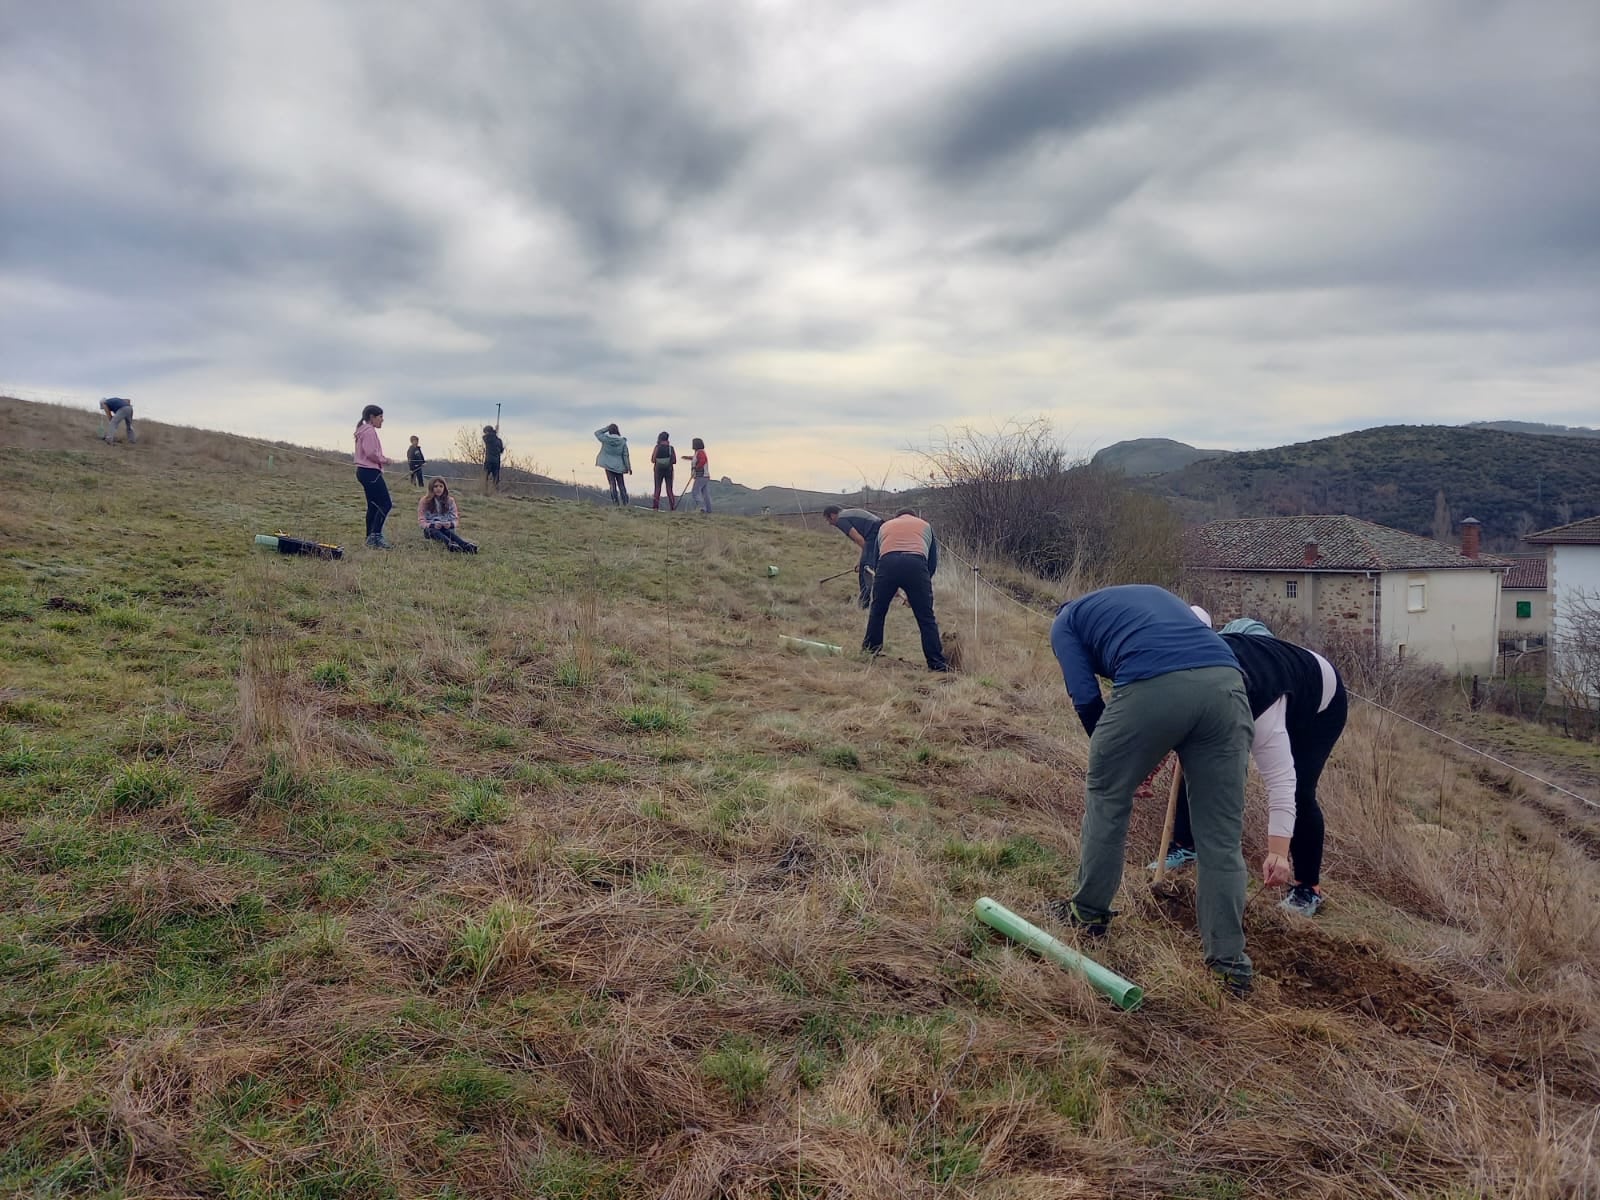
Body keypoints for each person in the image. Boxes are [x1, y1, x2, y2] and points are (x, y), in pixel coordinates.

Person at [1049, 584, 1255, 994]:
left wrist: (1119, 764)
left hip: (1155, 683)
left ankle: (1088, 913)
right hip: (1228, 687)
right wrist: (1142, 756)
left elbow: (1087, 698)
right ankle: (1230, 964)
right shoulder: (1149, 598)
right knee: (1220, 836)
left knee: (1108, 796)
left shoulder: (1065, 622)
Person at [1155, 620, 1347, 918]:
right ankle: (1185, 844)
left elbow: (1282, 783)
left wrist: (1277, 853)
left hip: (1320, 700)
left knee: (1300, 789)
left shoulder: (1261, 710)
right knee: (1195, 758)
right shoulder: (1191, 669)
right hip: (1270, 668)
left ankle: (1308, 887)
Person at [863, 509, 948, 672]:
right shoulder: (925, 526)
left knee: (877, 612)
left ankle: (870, 651)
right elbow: (931, 564)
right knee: (926, 618)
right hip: (916, 564)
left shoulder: (885, 526)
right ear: (915, 517)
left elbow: (876, 560)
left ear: (897, 517)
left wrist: (886, 585)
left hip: (887, 565)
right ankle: (937, 664)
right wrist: (918, 591)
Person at [823, 505, 883, 609]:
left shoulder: (841, 520)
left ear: (832, 515)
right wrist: (861, 560)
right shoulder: (847, 514)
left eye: (828, 519)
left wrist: (864, 560)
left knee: (866, 570)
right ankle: (872, 599)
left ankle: (865, 603)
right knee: (868, 566)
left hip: (874, 532)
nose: (829, 523)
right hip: (879, 530)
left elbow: (860, 540)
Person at [353, 404, 396, 549]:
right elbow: (371, 453)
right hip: (370, 472)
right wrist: (385, 460)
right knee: (385, 503)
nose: (382, 420)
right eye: (380, 417)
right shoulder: (369, 431)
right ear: (372, 417)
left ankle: (369, 537)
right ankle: (375, 536)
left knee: (373, 506)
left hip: (364, 472)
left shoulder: (363, 431)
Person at [417, 477, 478, 553]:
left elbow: (455, 518)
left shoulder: (450, 501)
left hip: (446, 527)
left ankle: (465, 545)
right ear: (431, 488)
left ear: (444, 488)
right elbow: (421, 520)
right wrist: (431, 525)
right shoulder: (425, 501)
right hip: (431, 529)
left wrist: (450, 524)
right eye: (435, 486)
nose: (438, 488)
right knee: (435, 531)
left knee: (448, 532)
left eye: (441, 486)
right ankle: (450, 545)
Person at [595, 424, 631, 506]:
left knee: (612, 484)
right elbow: (625, 455)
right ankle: (625, 502)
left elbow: (597, 433)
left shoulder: (606, 439)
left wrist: (607, 428)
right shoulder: (622, 441)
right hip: (619, 466)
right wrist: (628, 467)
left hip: (608, 464)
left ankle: (615, 503)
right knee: (621, 485)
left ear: (609, 431)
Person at [683, 437, 711, 513]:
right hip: (705, 476)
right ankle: (708, 510)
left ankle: (702, 508)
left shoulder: (700, 452)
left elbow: (702, 461)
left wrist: (696, 468)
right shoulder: (699, 452)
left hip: (701, 475)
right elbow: (697, 458)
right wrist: (688, 458)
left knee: (695, 492)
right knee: (705, 494)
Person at [650, 431, 678, 510]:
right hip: (669, 470)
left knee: (657, 488)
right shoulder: (670, 448)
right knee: (669, 489)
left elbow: (652, 460)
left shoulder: (657, 447)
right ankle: (672, 507)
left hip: (658, 470)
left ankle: (655, 507)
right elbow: (674, 461)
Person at [482, 426, 505, 492]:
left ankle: (484, 490)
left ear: (487, 432)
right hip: (497, 462)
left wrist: (494, 432)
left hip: (488, 461)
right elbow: (501, 450)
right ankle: (495, 491)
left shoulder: (487, 438)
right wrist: (495, 432)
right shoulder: (499, 440)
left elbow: (486, 438)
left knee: (485, 476)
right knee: (496, 478)